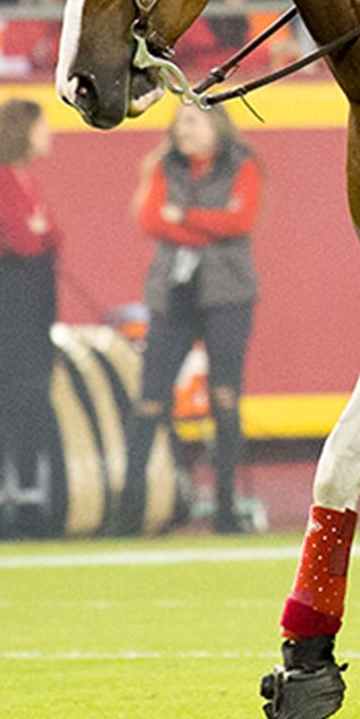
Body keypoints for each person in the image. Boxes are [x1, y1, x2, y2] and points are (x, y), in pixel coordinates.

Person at [116, 102, 263, 536]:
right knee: (150, 399)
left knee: (224, 398)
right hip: (172, 295)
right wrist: (204, 225)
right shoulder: (162, 166)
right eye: (180, 123)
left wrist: (183, 217)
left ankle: (224, 509)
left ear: (216, 125)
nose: (184, 131)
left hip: (227, 294)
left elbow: (242, 219)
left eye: (193, 121)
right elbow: (150, 220)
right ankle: (130, 510)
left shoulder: (243, 164)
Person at [0, 98, 62, 540]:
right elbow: (27, 240)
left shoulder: (26, 180)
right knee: (8, 405)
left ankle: (27, 499)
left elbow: (51, 236)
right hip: (8, 301)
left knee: (31, 404)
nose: (49, 136)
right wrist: (40, 230)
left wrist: (42, 231)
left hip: (33, 299)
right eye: (43, 127)